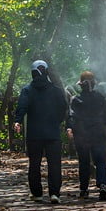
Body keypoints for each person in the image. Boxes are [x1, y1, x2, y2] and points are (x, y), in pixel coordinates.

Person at [13, 59, 68, 203]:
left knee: (34, 163)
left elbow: (22, 107)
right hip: (53, 133)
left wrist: (17, 120)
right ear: (46, 72)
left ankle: (37, 193)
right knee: (55, 164)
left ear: (33, 73)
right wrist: (57, 121)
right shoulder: (56, 90)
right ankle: (54, 193)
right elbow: (63, 108)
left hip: (34, 134)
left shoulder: (27, 90)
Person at [66, 70, 106, 201]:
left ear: (81, 85)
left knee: (84, 162)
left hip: (82, 136)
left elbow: (71, 117)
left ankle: (84, 189)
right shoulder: (100, 98)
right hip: (98, 134)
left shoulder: (76, 100)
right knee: (100, 161)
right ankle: (103, 185)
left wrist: (70, 128)